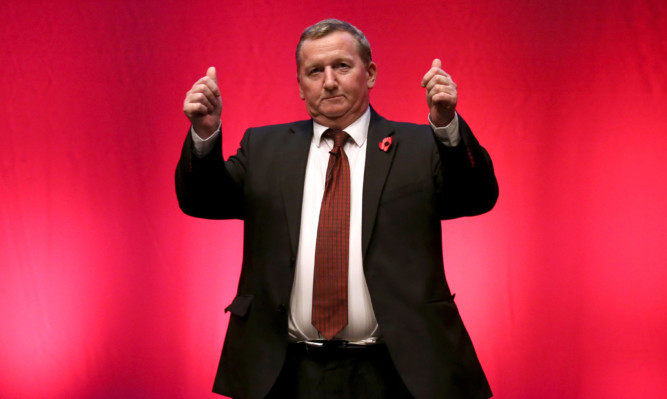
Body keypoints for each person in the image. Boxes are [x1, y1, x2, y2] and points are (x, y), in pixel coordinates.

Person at [176, 19, 498, 399]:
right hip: (283, 372)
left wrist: (447, 126)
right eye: (315, 71)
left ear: (371, 73)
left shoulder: (420, 145)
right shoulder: (264, 148)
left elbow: (476, 196)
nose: (329, 81)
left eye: (342, 66)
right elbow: (203, 200)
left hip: (400, 371)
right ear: (300, 85)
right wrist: (203, 134)